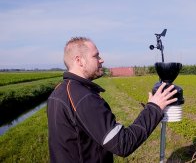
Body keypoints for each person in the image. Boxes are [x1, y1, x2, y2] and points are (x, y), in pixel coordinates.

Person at [47, 37, 178, 163]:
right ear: (79, 60)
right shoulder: (83, 97)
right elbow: (123, 144)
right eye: (96, 56)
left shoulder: (60, 90)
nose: (101, 60)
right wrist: (154, 108)